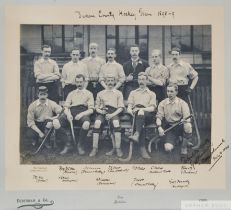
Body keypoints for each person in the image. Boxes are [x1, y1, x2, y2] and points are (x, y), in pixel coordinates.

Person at [57, 74, 94, 155]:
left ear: (84, 82)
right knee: (56, 123)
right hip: (71, 112)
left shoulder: (89, 94)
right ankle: (68, 143)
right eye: (77, 82)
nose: (79, 84)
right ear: (75, 83)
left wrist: (81, 115)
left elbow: (91, 109)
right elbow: (66, 107)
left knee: (86, 124)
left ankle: (80, 145)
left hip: (83, 112)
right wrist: (68, 114)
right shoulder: (71, 93)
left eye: (81, 82)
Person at [89, 75, 124, 157]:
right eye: (108, 81)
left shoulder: (118, 93)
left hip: (114, 112)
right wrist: (101, 111)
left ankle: (118, 148)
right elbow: (96, 107)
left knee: (115, 122)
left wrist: (112, 115)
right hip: (102, 112)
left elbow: (121, 108)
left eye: (112, 80)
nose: (110, 82)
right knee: (97, 122)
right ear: (105, 82)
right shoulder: (100, 93)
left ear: (114, 82)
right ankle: (95, 148)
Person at [156, 83, 192, 156]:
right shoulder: (162, 103)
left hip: (180, 125)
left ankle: (184, 147)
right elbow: (158, 117)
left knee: (188, 125)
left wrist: (184, 120)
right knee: (168, 149)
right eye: (168, 91)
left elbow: (188, 118)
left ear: (176, 92)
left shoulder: (183, 103)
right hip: (170, 127)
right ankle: (178, 139)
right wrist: (159, 127)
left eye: (172, 91)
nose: (169, 93)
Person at [127, 72, 157, 159]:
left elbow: (152, 108)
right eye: (140, 79)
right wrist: (130, 111)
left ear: (147, 81)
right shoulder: (133, 92)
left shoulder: (151, 93)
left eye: (143, 79)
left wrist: (141, 110)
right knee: (141, 123)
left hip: (148, 114)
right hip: (135, 115)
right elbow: (129, 106)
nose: (141, 81)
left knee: (141, 115)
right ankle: (142, 149)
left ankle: (136, 134)